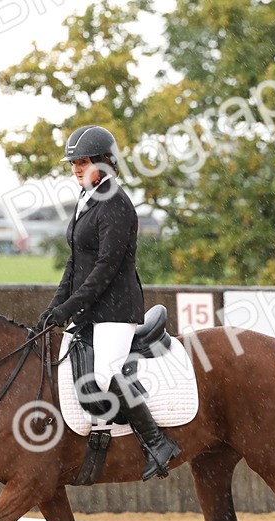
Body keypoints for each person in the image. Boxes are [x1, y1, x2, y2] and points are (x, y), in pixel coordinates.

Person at [34, 124, 181, 480]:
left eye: (82, 161)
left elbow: (105, 268)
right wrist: (54, 308)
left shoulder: (115, 203)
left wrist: (69, 309)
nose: (75, 168)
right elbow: (74, 264)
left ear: (105, 162)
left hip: (115, 310)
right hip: (89, 311)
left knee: (104, 374)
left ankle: (157, 443)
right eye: (73, 163)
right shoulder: (87, 201)